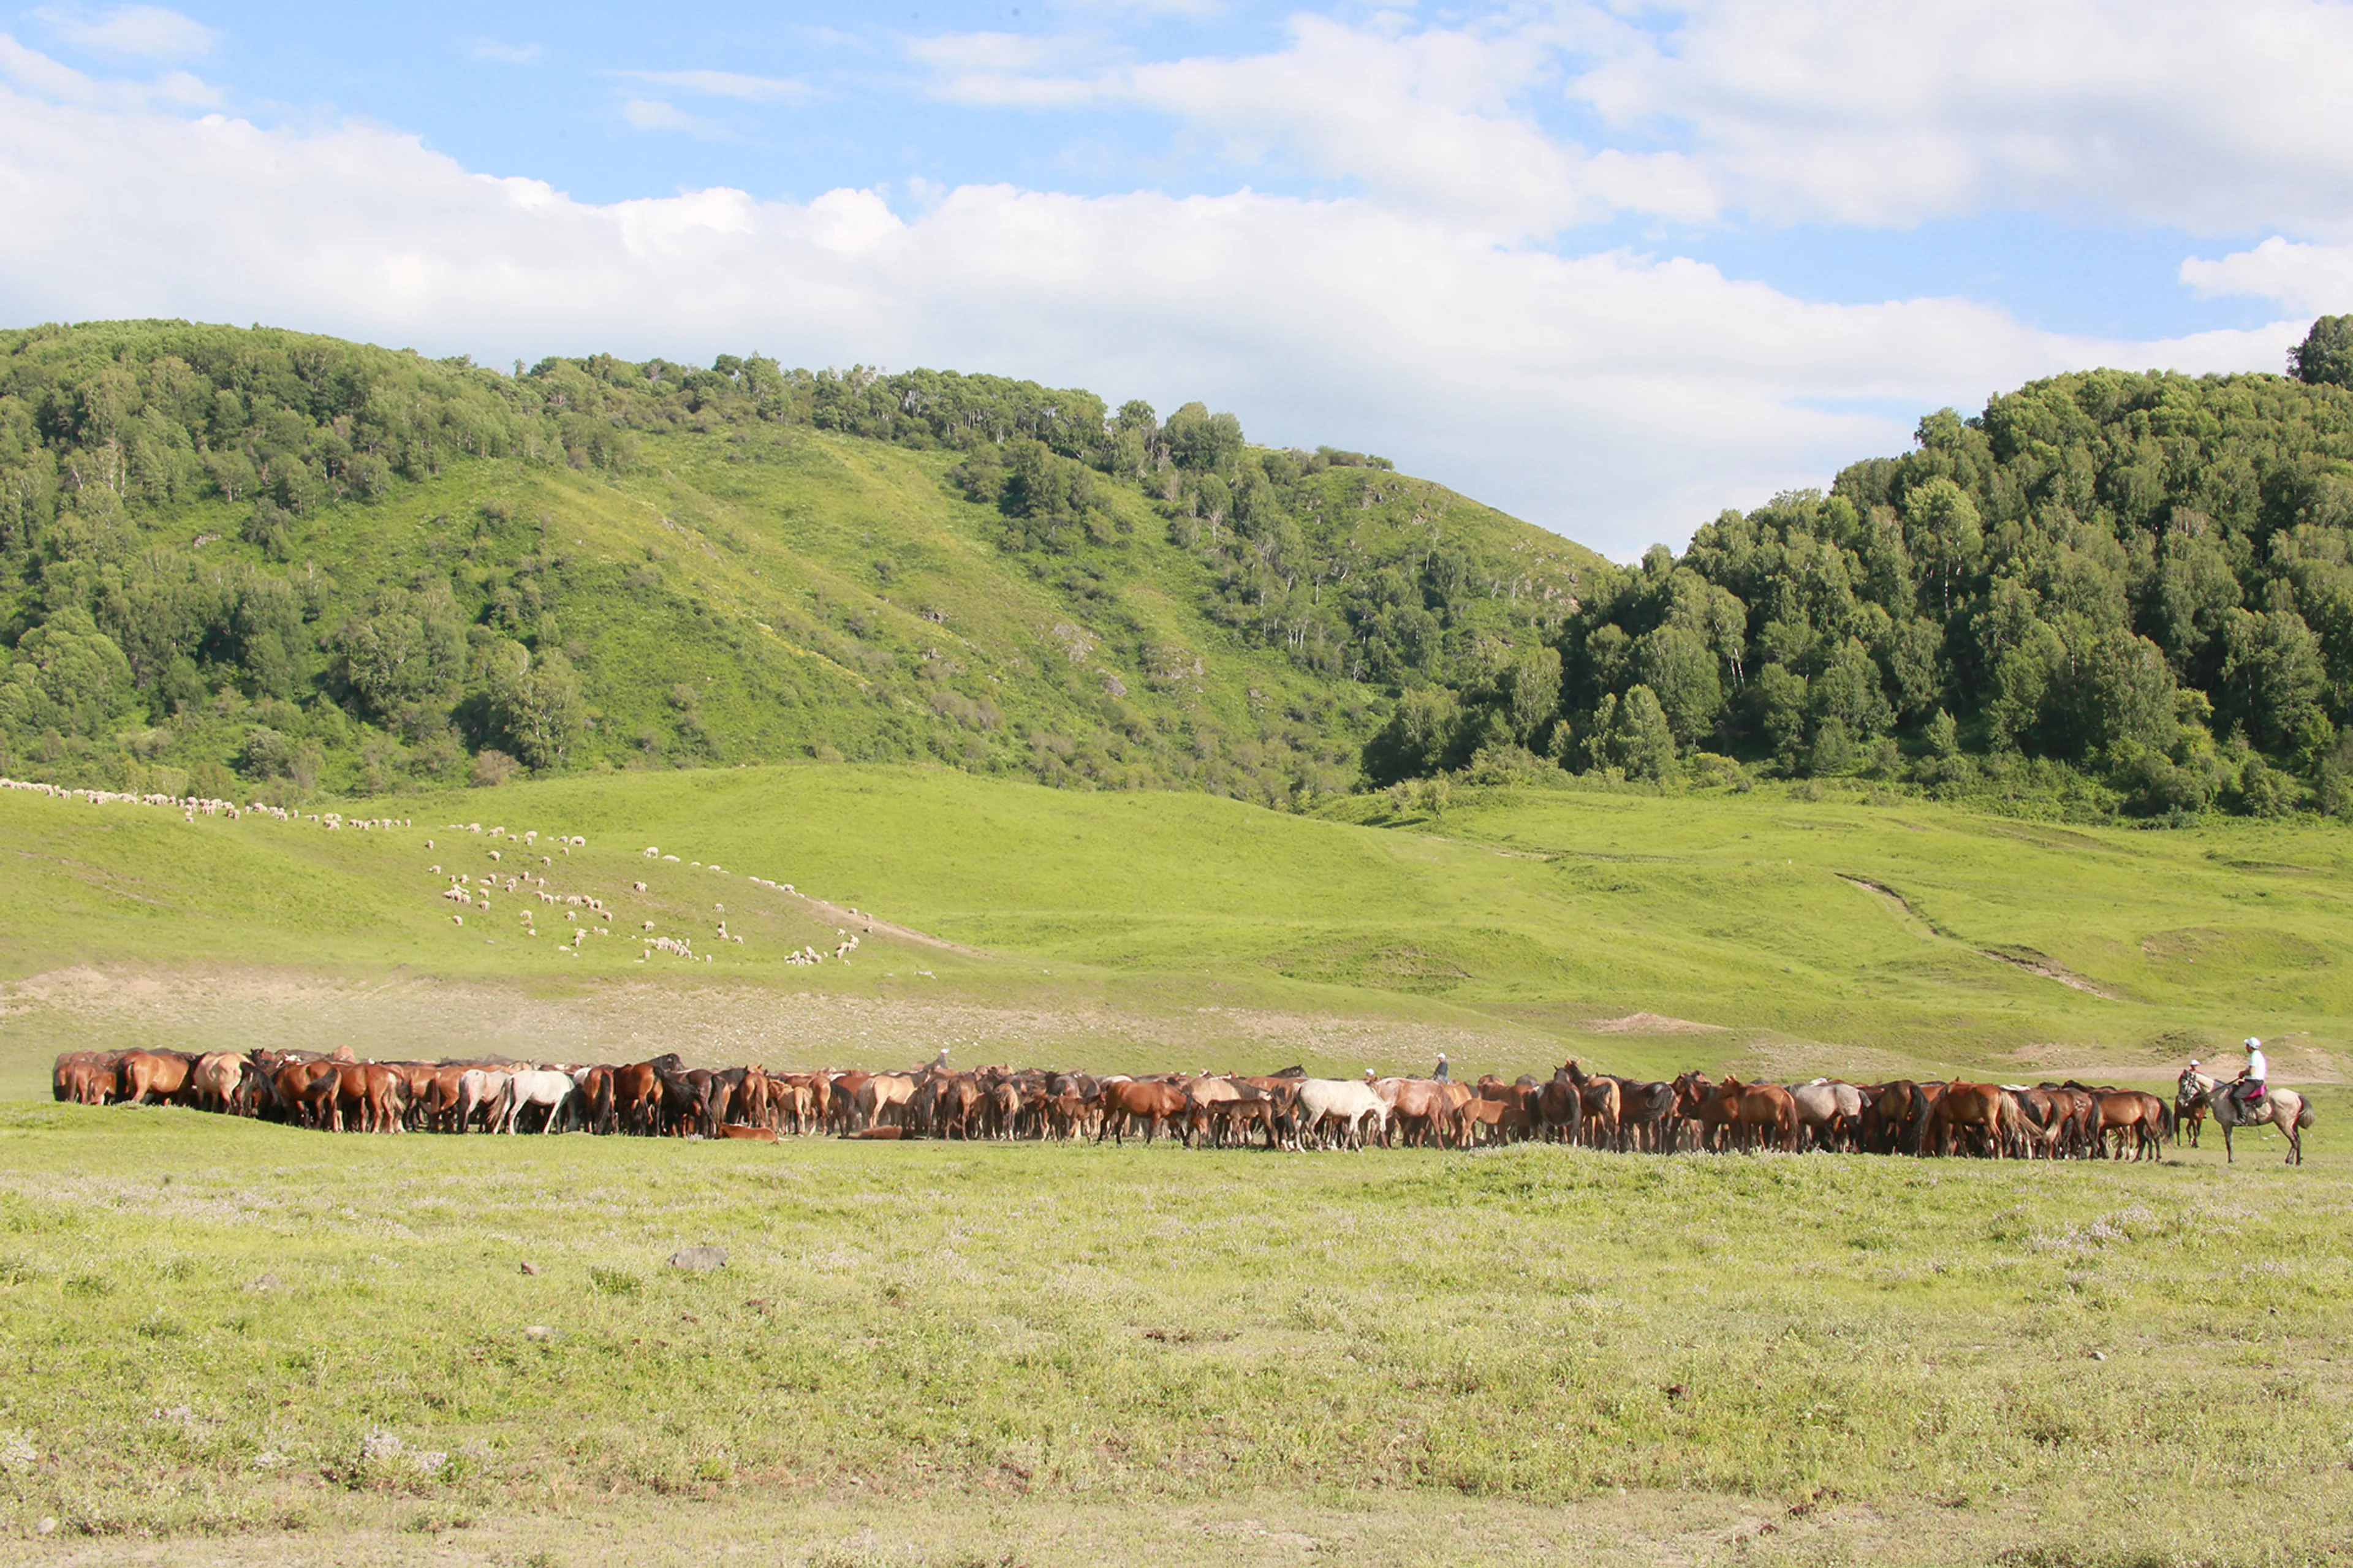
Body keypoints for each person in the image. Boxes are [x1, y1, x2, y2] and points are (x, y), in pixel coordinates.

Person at [2234, 1038, 2268, 1116]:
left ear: (2250, 1047)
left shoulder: (2254, 1056)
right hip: (2255, 1081)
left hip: (2253, 1082)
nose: (2246, 1047)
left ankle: (2242, 1118)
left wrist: (2242, 1073)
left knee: (2236, 1096)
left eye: (2247, 1046)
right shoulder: (2258, 1054)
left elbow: (2251, 1072)